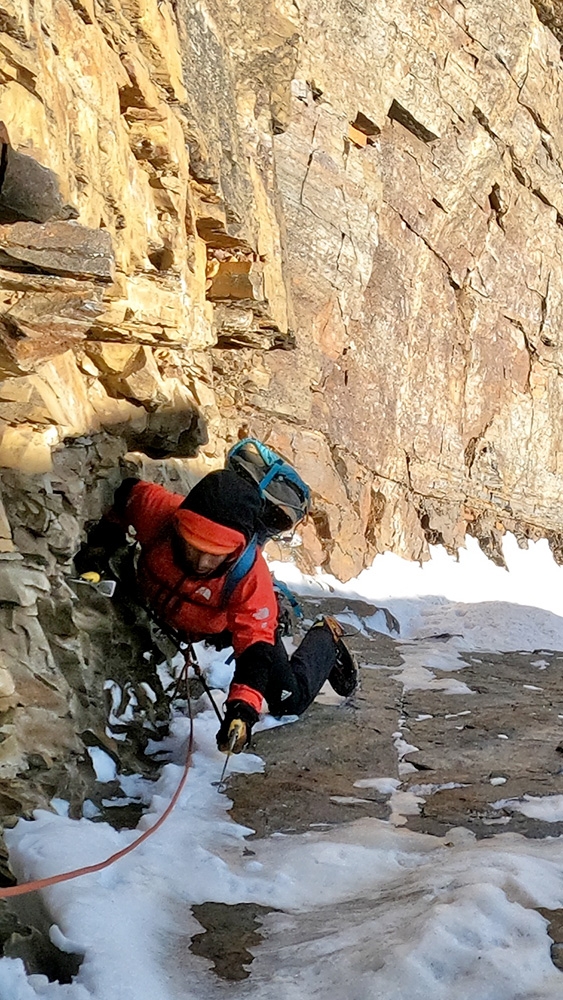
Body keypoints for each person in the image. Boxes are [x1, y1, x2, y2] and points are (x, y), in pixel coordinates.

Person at [80, 469, 357, 753]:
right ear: (179, 527)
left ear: (236, 550)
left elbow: (254, 648)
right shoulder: (161, 513)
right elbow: (127, 493)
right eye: (194, 546)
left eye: (216, 552)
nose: (202, 562)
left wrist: (242, 710)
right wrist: (103, 544)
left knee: (289, 700)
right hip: (184, 615)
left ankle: (326, 639)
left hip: (229, 627)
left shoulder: (250, 575)